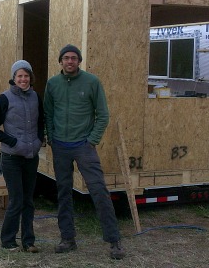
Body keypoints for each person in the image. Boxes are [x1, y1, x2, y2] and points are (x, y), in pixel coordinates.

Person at [43, 44, 126, 260]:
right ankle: (67, 239)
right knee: (63, 193)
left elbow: (103, 115)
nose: (70, 61)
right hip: (60, 146)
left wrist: (91, 141)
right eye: (66, 58)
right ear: (60, 61)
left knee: (99, 191)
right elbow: (48, 114)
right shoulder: (52, 84)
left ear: (79, 61)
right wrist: (50, 137)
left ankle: (114, 241)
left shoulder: (92, 82)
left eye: (74, 58)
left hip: (83, 146)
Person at [0, 60, 44, 253]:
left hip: (31, 156)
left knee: (28, 200)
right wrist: (13, 142)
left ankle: (29, 241)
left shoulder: (36, 97)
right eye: (19, 76)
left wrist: (39, 141)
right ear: (13, 78)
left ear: (30, 77)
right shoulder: (4, 99)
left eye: (26, 75)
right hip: (12, 157)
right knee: (16, 199)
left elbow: (41, 121)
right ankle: (8, 240)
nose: (23, 79)